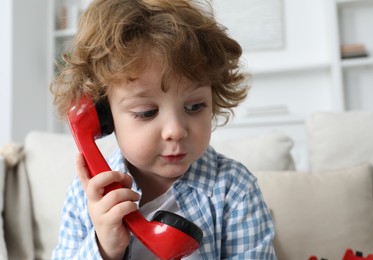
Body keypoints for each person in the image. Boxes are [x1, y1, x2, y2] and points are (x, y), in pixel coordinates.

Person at [51, 0, 276, 259]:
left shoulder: (235, 189)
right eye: (147, 112)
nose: (175, 131)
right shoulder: (84, 198)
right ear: (104, 117)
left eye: (194, 106)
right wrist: (104, 247)